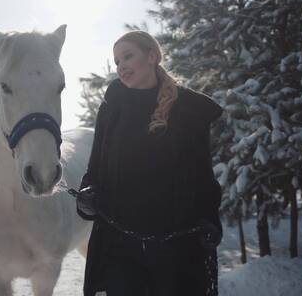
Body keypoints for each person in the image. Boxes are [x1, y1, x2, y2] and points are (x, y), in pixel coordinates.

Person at [76, 30, 224, 296]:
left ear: (152, 56)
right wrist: (89, 193)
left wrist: (209, 218)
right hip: (119, 244)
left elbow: (202, 173)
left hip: (174, 246)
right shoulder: (113, 104)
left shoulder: (188, 108)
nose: (121, 66)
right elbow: (96, 164)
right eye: (117, 61)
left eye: (127, 56)